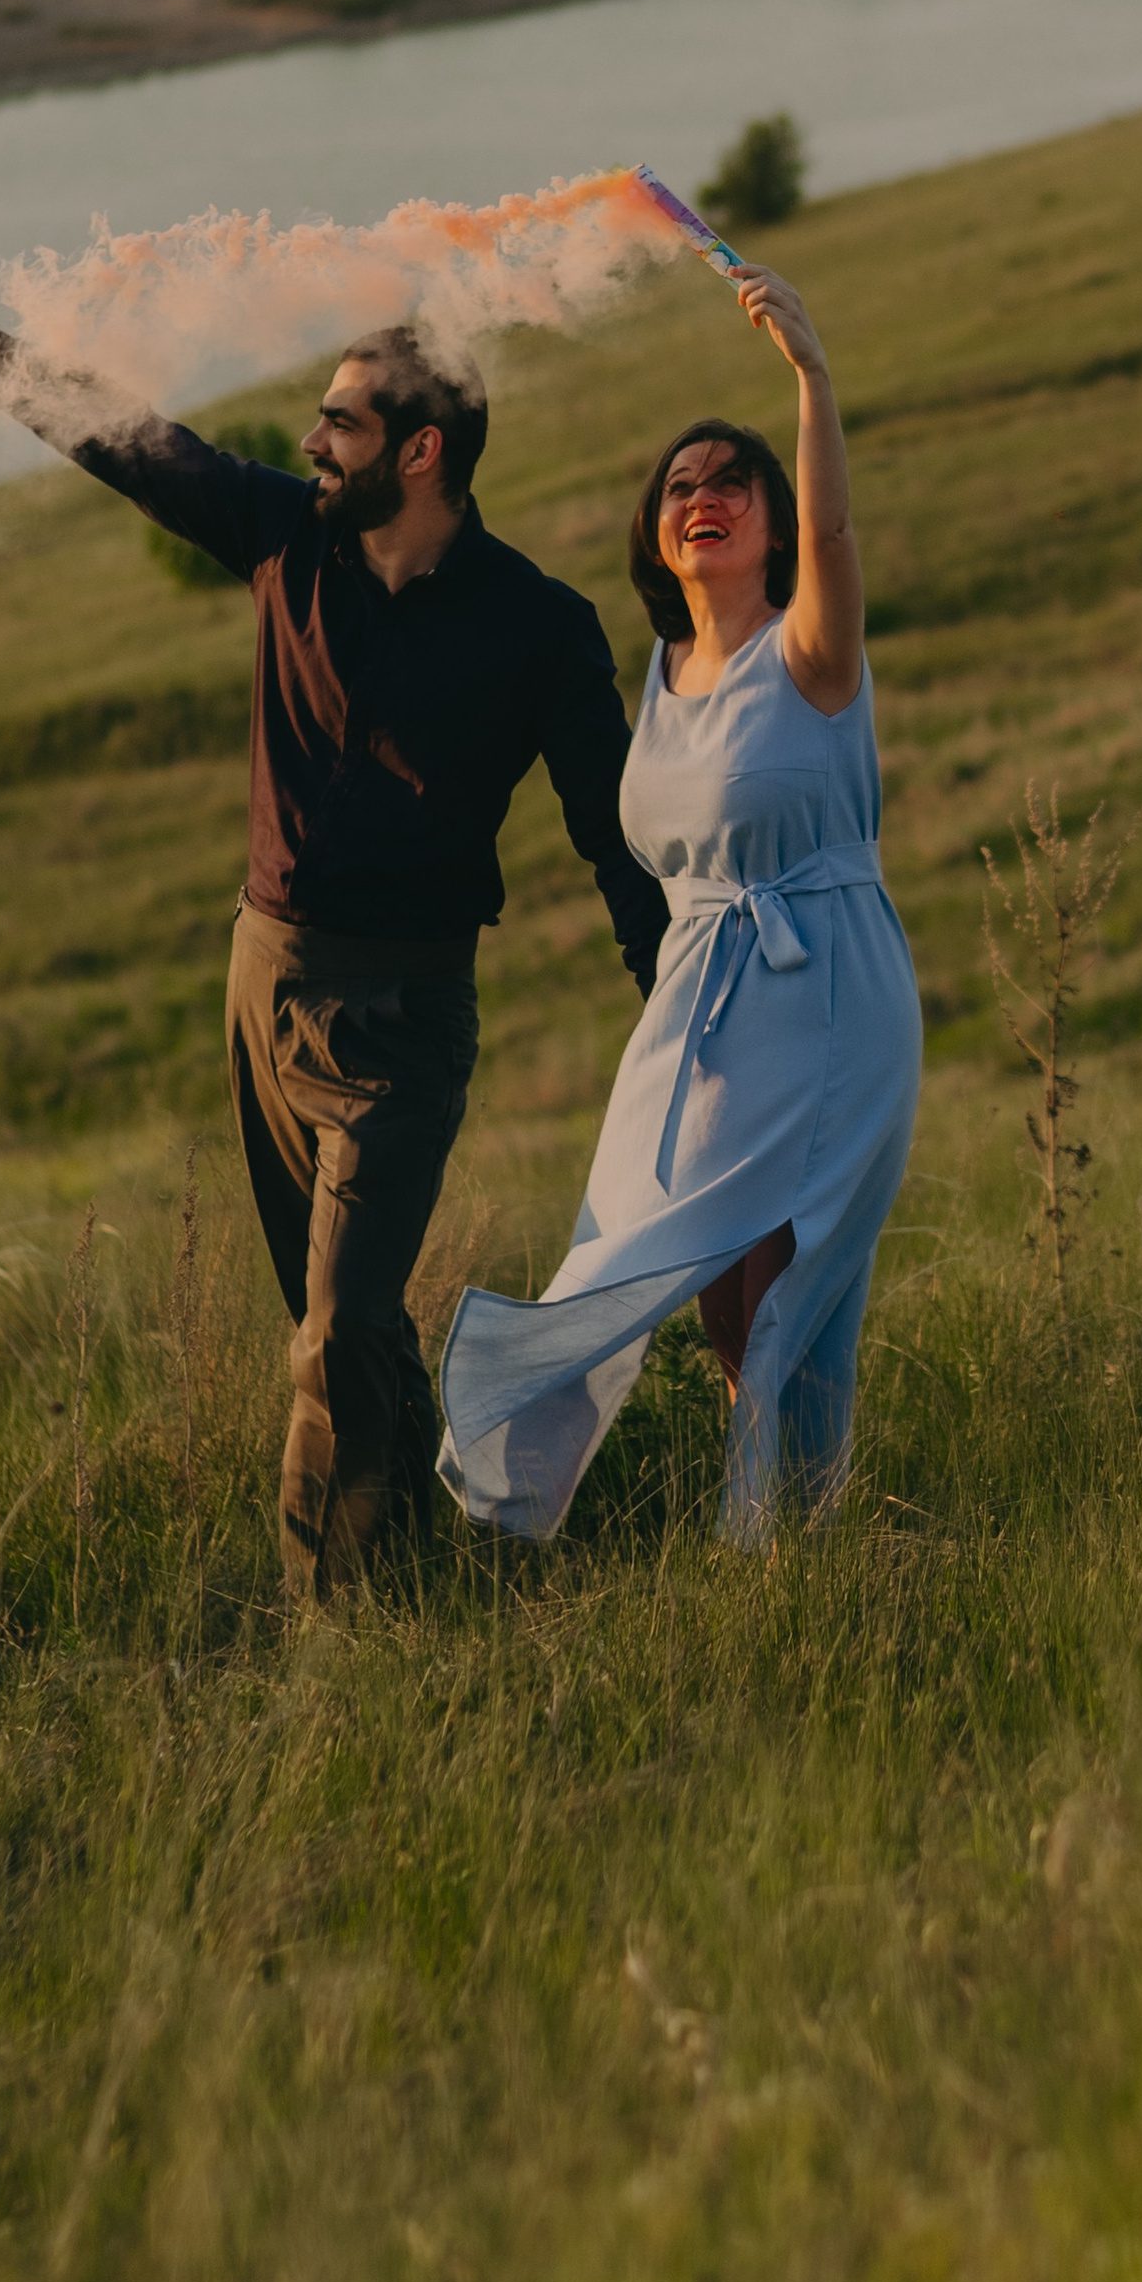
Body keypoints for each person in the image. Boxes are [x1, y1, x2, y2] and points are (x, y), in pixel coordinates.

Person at [0, 270, 669, 1602]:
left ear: (420, 450)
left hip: (401, 1019)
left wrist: (674, 999)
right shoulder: (285, 539)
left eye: (337, 419)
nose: (309, 438)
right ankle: (421, 1562)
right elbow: (113, 429)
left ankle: (331, 1633)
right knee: (341, 1324)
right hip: (263, 978)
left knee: (337, 1329)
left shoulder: (540, 627)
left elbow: (610, 835)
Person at [438, 264, 920, 1548]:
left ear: (767, 524)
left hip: (820, 984)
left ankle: (784, 1541)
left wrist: (810, 382)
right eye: (680, 487)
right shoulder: (661, 669)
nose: (701, 497)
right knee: (659, 1264)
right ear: (658, 532)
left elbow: (836, 543)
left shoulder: (807, 649)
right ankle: (518, 1466)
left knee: (780, 1280)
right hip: (697, 1002)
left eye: (730, 483)